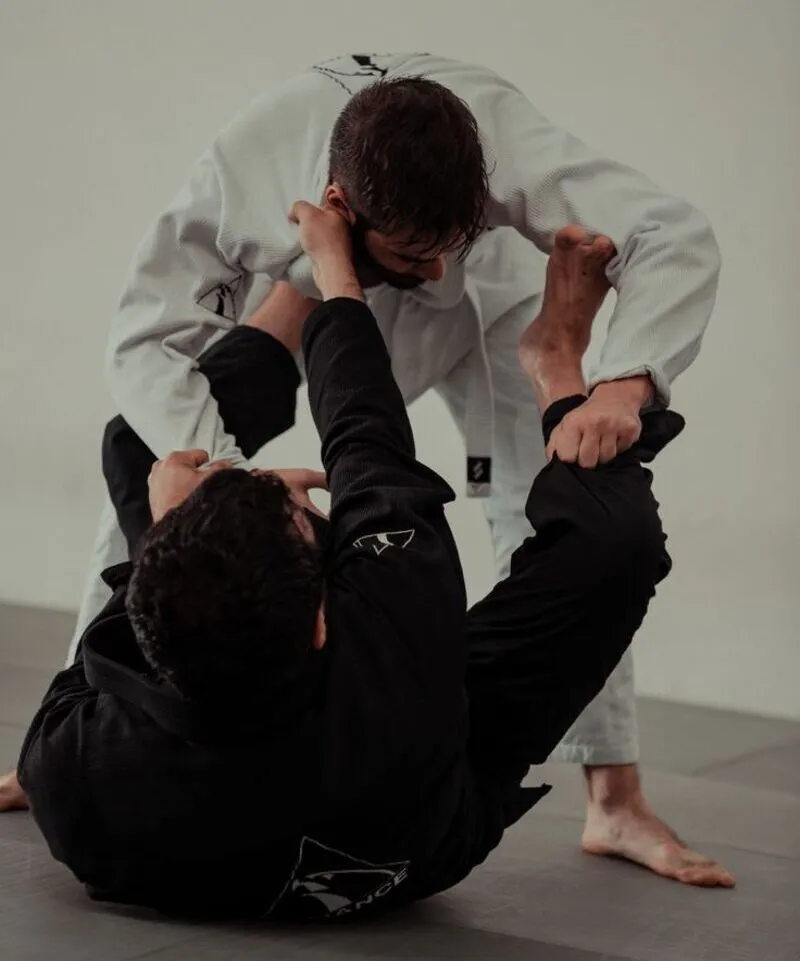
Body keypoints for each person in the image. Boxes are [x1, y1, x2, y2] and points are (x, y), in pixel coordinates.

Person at [0, 53, 731, 885]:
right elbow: (148, 352)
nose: (435, 273)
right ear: (339, 208)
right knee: (172, 460)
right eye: (419, 253)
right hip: (321, 284)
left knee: (539, 481)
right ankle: (96, 692)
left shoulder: (506, 147)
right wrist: (224, 491)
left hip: (490, 301)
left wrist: (625, 384)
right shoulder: (246, 170)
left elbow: (671, 232)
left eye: (450, 244)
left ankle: (614, 799)